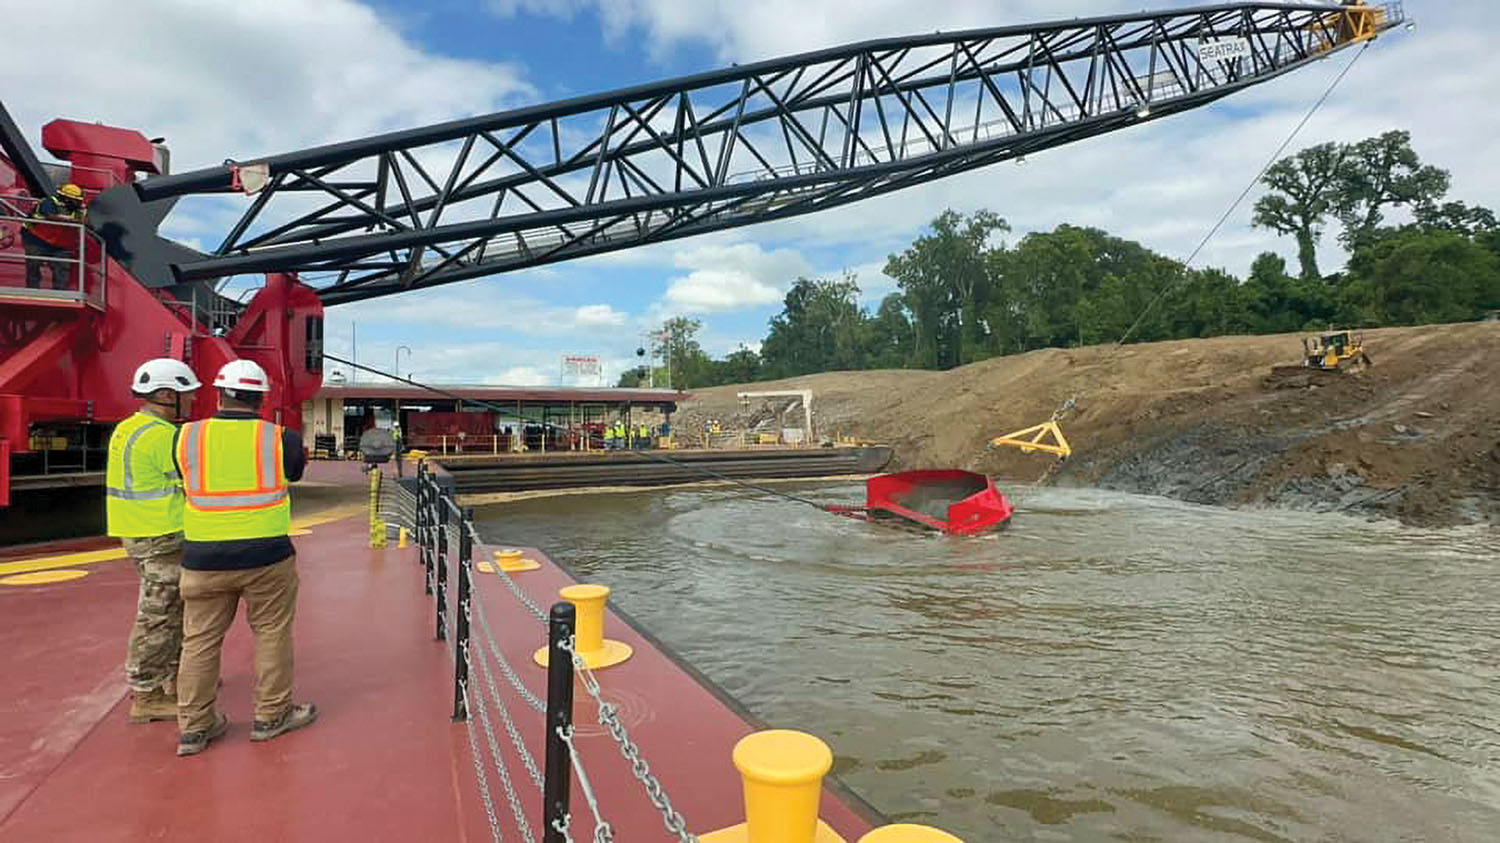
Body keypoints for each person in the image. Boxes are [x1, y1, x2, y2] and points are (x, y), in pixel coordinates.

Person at [172, 359, 314, 756]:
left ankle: (194, 729)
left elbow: (185, 476)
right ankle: (272, 716)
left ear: (218, 394)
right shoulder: (280, 439)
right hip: (267, 556)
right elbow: (295, 473)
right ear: (261, 399)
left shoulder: (185, 438)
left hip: (202, 557)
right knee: (271, 634)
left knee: (198, 641)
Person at [107, 358, 201, 724]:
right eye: (187, 394)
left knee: (171, 609)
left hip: (139, 532)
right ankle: (146, 694)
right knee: (158, 615)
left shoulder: (128, 428)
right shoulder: (163, 437)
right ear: (165, 394)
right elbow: (193, 477)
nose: (192, 401)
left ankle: (171, 681)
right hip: (160, 534)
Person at [22, 183, 86, 289]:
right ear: (66, 198)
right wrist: (73, 220)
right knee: (33, 264)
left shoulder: (78, 210)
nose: (78, 202)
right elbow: (50, 216)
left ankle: (60, 292)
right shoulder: (48, 202)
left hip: (59, 243)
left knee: (62, 268)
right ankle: (32, 289)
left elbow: (85, 222)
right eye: (76, 200)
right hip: (36, 239)